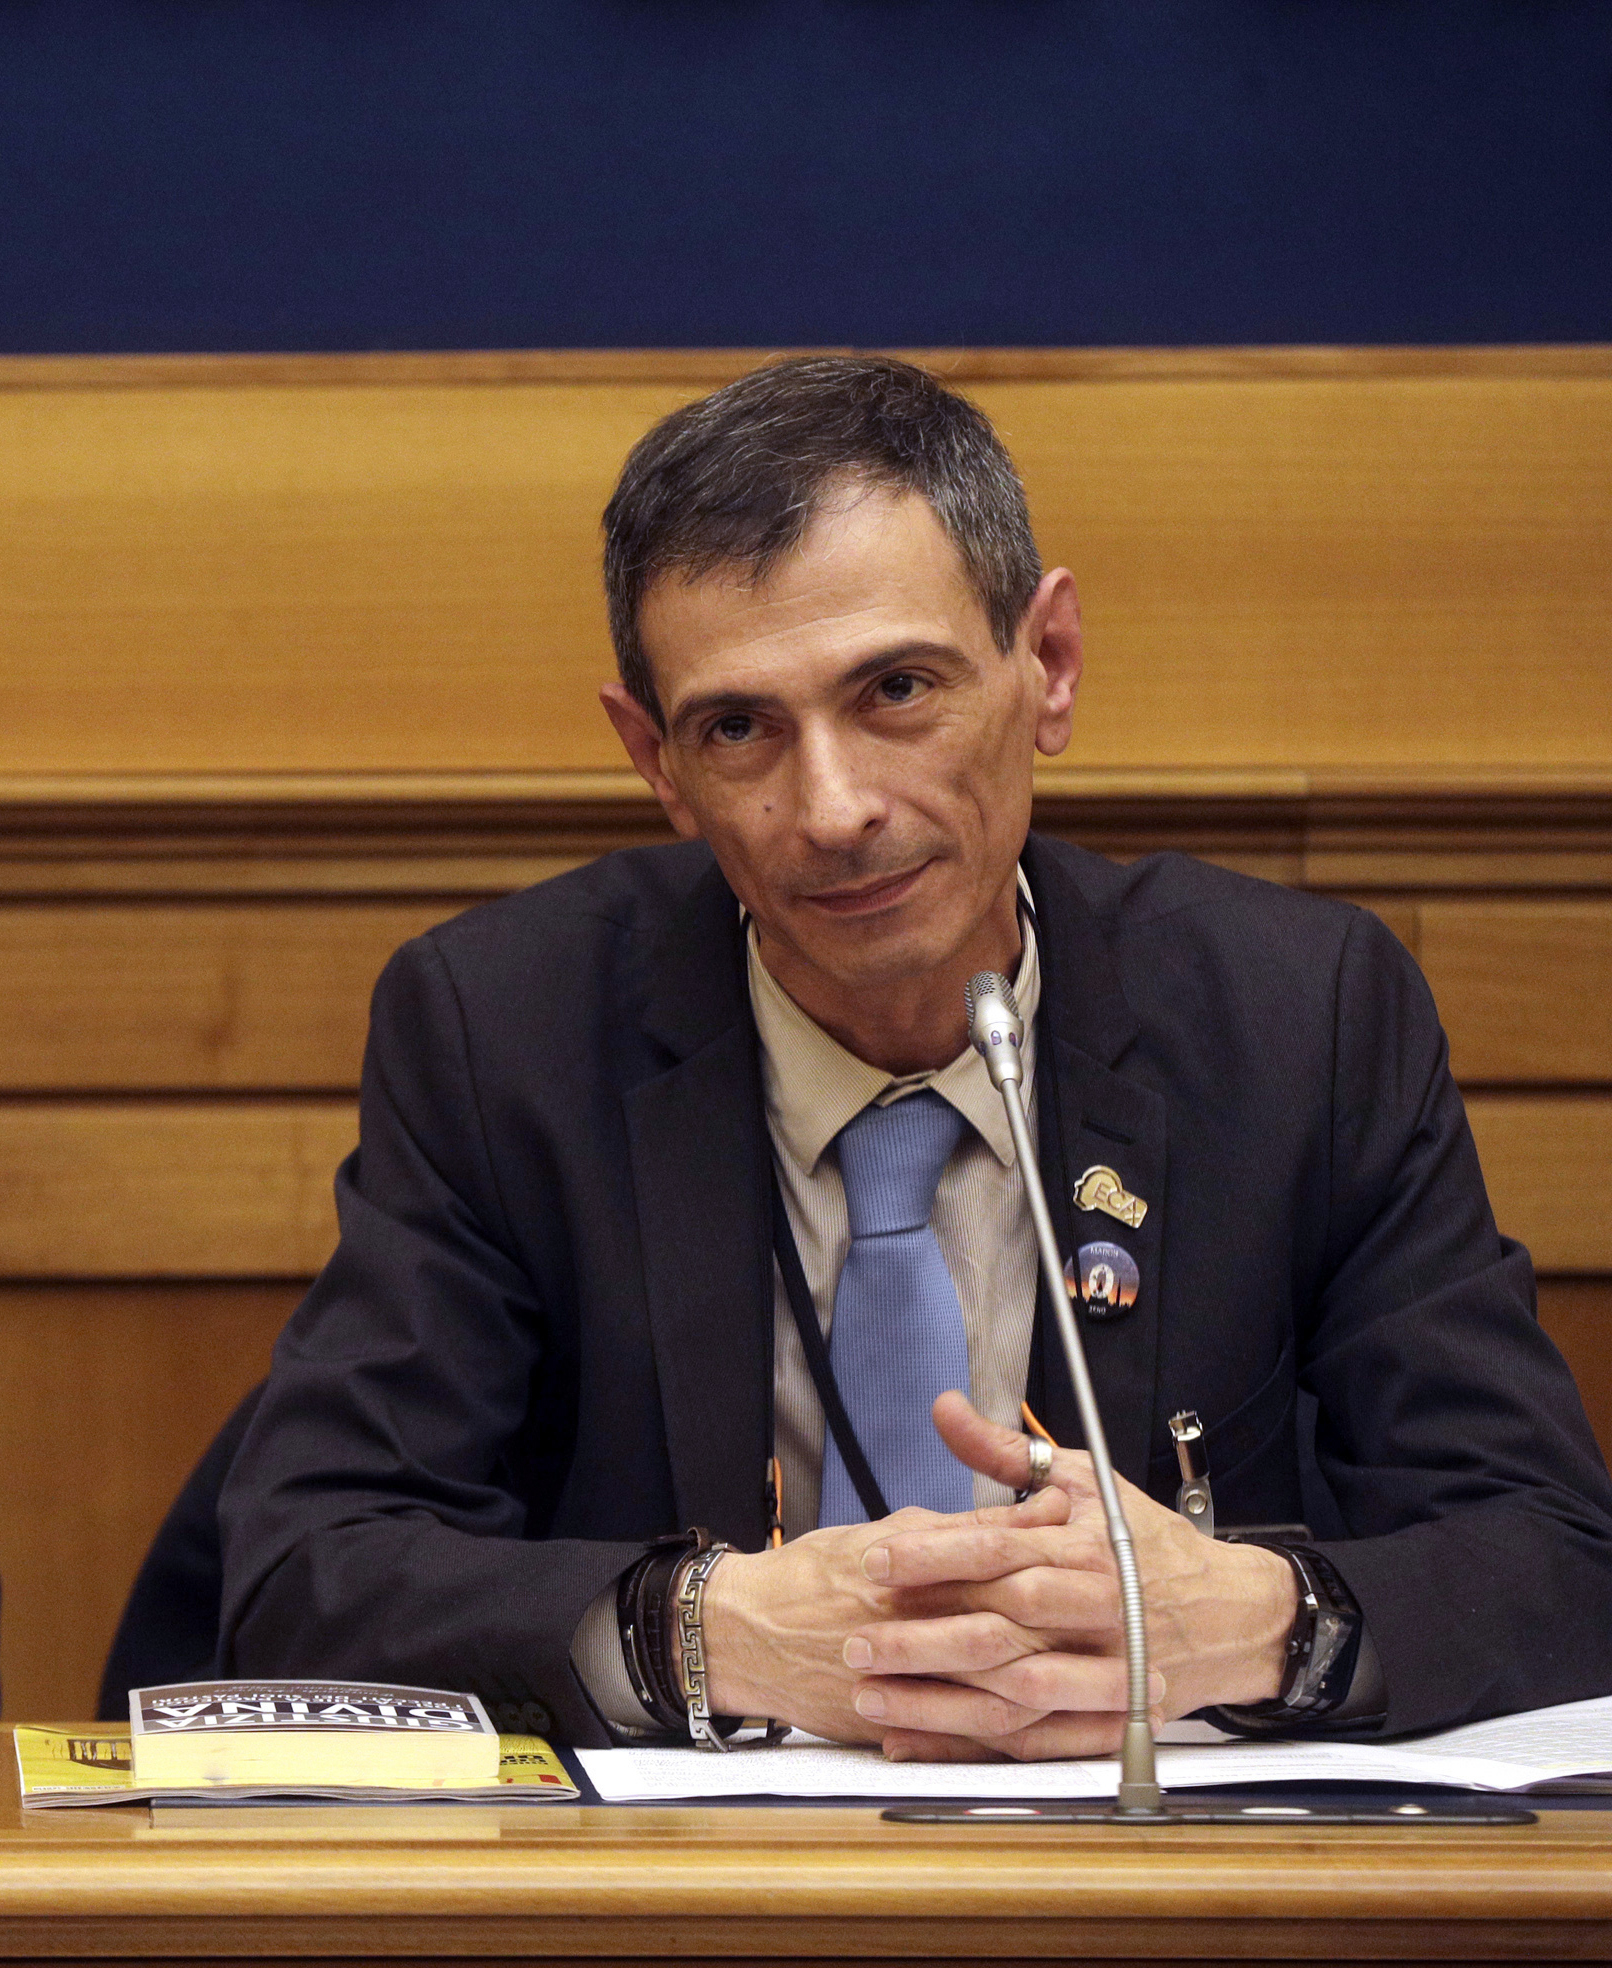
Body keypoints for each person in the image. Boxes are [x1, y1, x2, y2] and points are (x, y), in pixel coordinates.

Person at [216, 356, 1612, 1757]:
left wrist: (1251, 1620)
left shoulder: (1299, 1020)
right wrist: (713, 1631)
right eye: (740, 727)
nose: (832, 810)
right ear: (657, 763)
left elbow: (1553, 1560)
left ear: (1046, 667)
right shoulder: (498, 1032)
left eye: (896, 688)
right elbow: (305, 1578)